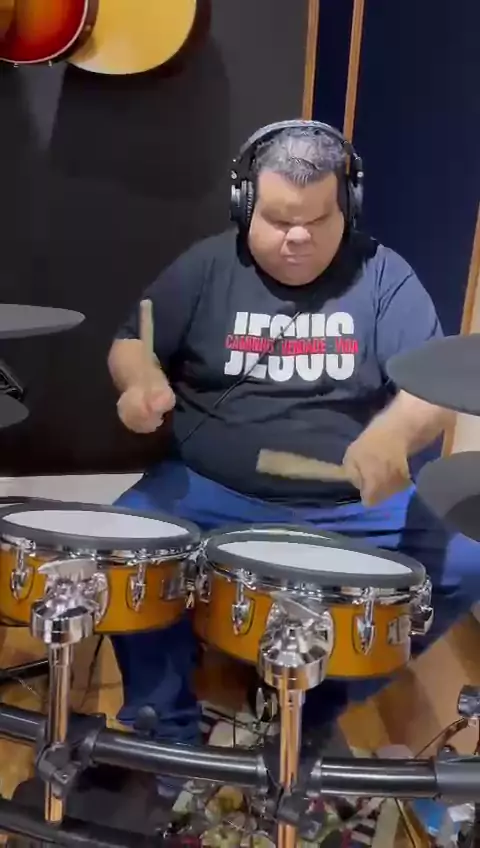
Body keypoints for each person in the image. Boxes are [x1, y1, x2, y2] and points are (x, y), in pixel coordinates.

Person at [107, 119, 480, 757]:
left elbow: (430, 387)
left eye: (318, 219)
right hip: (209, 489)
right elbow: (129, 342)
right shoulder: (205, 266)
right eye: (279, 220)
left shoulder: (384, 276)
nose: (299, 236)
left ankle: (314, 708)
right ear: (245, 205)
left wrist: (392, 435)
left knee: (466, 561)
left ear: (347, 206)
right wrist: (140, 384)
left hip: (352, 504)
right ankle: (164, 726)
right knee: (125, 549)